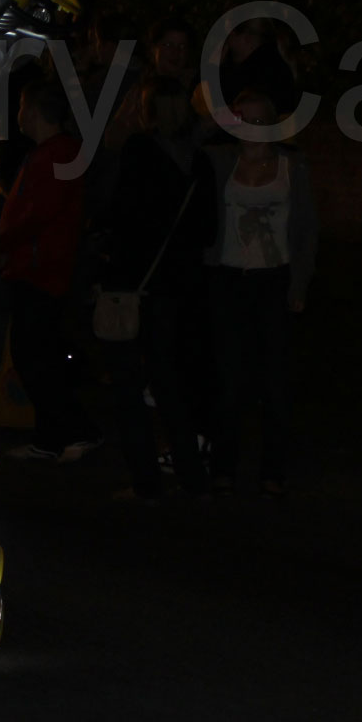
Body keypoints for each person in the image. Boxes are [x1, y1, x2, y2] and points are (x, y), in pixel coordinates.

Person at [97, 74, 217, 499]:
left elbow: (119, 216)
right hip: (179, 285)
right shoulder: (199, 162)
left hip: (136, 282)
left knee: (129, 384)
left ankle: (145, 479)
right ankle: (191, 473)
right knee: (169, 382)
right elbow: (207, 230)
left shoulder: (139, 152)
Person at [202, 90, 318, 494]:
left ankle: (273, 469)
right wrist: (218, 121)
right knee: (228, 376)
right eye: (242, 119)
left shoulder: (292, 166)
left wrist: (299, 284)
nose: (250, 128)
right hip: (229, 278)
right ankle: (223, 464)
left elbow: (306, 231)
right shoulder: (220, 161)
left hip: (274, 279)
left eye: (257, 120)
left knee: (275, 378)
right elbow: (187, 140)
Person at [0, 74, 105, 462]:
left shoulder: (55, 155)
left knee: (35, 356)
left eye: (21, 107)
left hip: (41, 270)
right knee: (37, 354)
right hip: (40, 267)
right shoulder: (57, 152)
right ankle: (51, 436)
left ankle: (76, 430)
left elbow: (36, 214)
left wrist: (1, 242)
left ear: (33, 111)